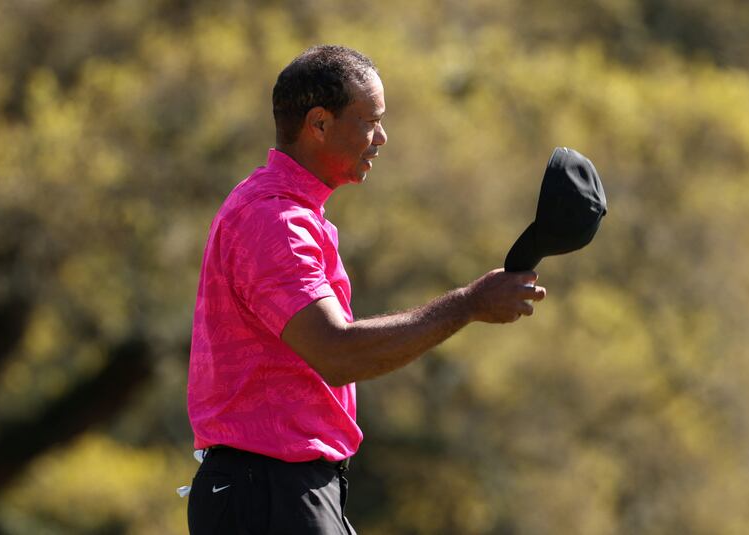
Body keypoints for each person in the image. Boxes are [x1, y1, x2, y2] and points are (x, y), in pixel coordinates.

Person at [186, 44, 546, 535]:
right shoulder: (276, 221)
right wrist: (468, 304)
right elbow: (336, 354)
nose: (381, 137)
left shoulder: (283, 209)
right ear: (318, 124)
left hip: (278, 489)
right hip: (270, 491)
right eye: (369, 121)